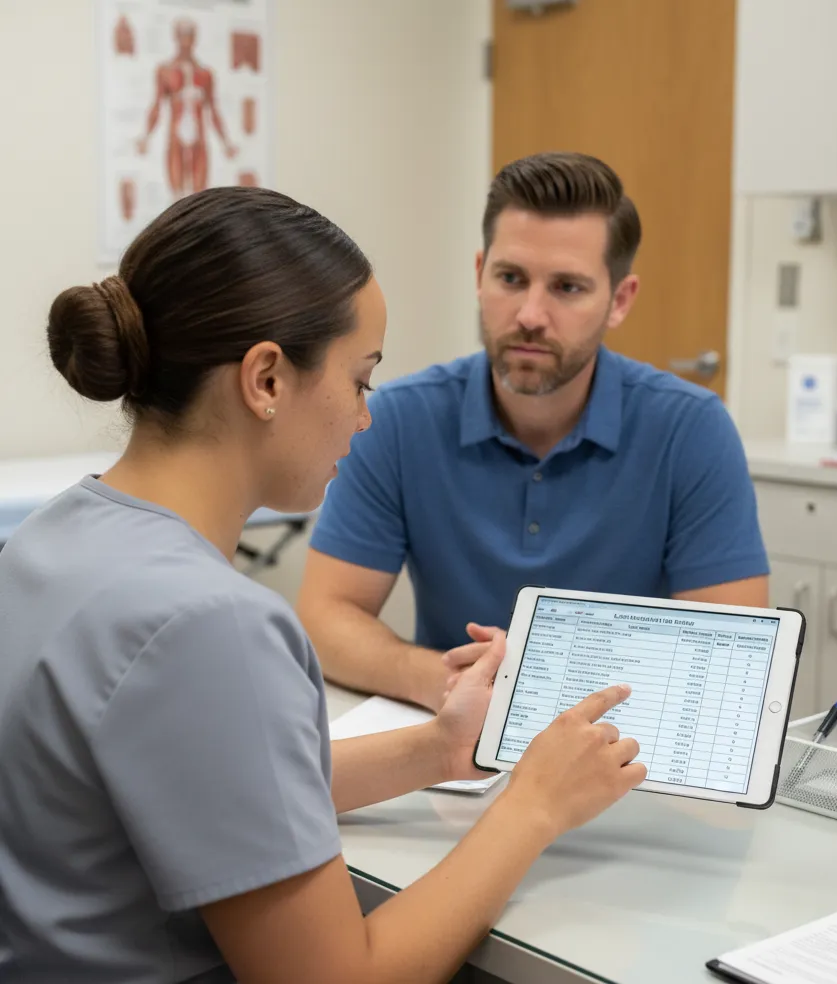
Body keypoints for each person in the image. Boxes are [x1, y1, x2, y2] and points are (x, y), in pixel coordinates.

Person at [0, 186, 646, 984]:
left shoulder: (50, 538)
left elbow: (216, 783)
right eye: (361, 380)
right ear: (266, 378)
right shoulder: (210, 623)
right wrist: (534, 807)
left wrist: (442, 746)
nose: (365, 417)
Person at [298, 152, 770, 713]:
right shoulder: (397, 418)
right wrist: (445, 681)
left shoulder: (691, 429)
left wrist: (547, 700)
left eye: (567, 287)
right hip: (455, 741)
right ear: (479, 275)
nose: (530, 314)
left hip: (622, 744)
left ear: (619, 300)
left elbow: (731, 656)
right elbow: (325, 619)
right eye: (511, 278)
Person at [137, 19, 237, 198]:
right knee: (177, 196)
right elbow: (157, 105)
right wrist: (146, 137)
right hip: (176, 138)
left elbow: (213, 110)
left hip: (199, 138)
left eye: (190, 34)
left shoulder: (205, 74)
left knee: (199, 197)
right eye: (182, 34)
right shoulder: (165, 71)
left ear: (195, 37)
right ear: (175, 36)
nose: (186, 40)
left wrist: (226, 142)